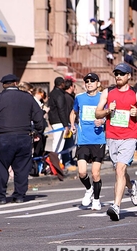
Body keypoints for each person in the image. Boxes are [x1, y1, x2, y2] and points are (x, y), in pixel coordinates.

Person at [0, 74, 44, 204]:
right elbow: (39, 117)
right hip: (24, 136)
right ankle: (19, 195)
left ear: (3, 85)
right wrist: (37, 131)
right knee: (22, 168)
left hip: (4, 137)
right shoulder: (28, 98)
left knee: (1, 166)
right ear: (16, 83)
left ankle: (0, 196)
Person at [95, 63, 137, 221]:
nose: (118, 76)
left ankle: (116, 206)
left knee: (120, 169)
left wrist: (136, 112)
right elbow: (97, 113)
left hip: (129, 136)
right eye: (116, 73)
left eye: (122, 73)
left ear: (128, 76)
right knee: (120, 170)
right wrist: (107, 110)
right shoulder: (108, 92)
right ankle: (132, 187)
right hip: (112, 136)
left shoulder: (135, 93)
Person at [70, 73, 106, 211]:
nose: (89, 83)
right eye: (87, 81)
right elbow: (73, 112)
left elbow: (109, 114)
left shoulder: (103, 98)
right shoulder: (79, 98)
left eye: (92, 81)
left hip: (98, 139)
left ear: (98, 83)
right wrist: (72, 125)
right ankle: (89, 189)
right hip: (83, 140)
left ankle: (96, 200)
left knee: (95, 173)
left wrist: (102, 120)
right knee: (82, 172)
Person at [48, 77, 70, 158]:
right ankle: (55, 161)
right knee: (59, 143)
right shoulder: (59, 95)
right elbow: (61, 109)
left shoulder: (52, 93)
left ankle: (58, 161)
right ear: (61, 84)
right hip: (59, 121)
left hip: (54, 120)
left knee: (58, 142)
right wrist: (65, 125)